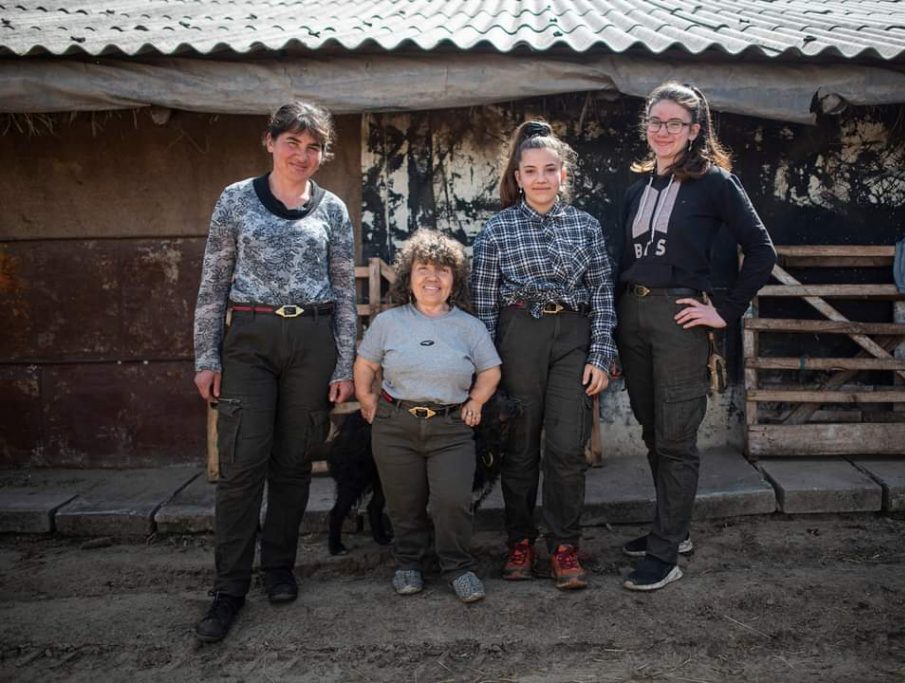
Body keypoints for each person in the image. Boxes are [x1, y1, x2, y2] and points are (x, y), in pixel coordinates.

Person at [192, 101, 357, 641]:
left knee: (292, 463)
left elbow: (344, 293)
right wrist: (207, 356)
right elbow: (213, 283)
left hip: (312, 340)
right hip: (250, 342)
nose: (303, 155)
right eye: (293, 143)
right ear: (270, 142)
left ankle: (279, 567)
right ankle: (229, 589)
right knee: (241, 467)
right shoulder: (236, 200)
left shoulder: (332, 209)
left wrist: (345, 361)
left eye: (314, 147)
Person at [614, 82, 776, 591]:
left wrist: (724, 311)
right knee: (651, 430)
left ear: (695, 130)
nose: (663, 131)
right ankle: (673, 528)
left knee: (677, 438)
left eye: (674, 123)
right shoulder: (636, 189)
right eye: (655, 121)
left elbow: (761, 250)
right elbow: (624, 261)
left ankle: (665, 554)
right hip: (633, 316)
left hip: (682, 319)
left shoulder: (716, 183)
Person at [472, 120, 616, 590]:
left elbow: (602, 294)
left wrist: (600, 352)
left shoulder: (586, 227)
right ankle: (519, 541)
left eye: (549, 170)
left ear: (563, 175)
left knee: (566, 448)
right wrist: (489, 369)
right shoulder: (496, 230)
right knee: (519, 446)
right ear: (517, 177)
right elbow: (485, 304)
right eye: (529, 170)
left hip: (572, 336)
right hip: (518, 336)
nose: (539, 179)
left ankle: (563, 545)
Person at [354, 229, 501, 603]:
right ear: (408, 276)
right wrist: (367, 401)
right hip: (395, 425)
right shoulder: (389, 322)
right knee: (404, 502)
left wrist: (477, 402)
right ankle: (409, 563)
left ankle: (458, 567)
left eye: (443, 270)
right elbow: (365, 364)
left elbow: (490, 371)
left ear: (456, 279)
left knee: (453, 501)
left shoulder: (470, 326)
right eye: (423, 268)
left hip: (451, 427)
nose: (432, 278)